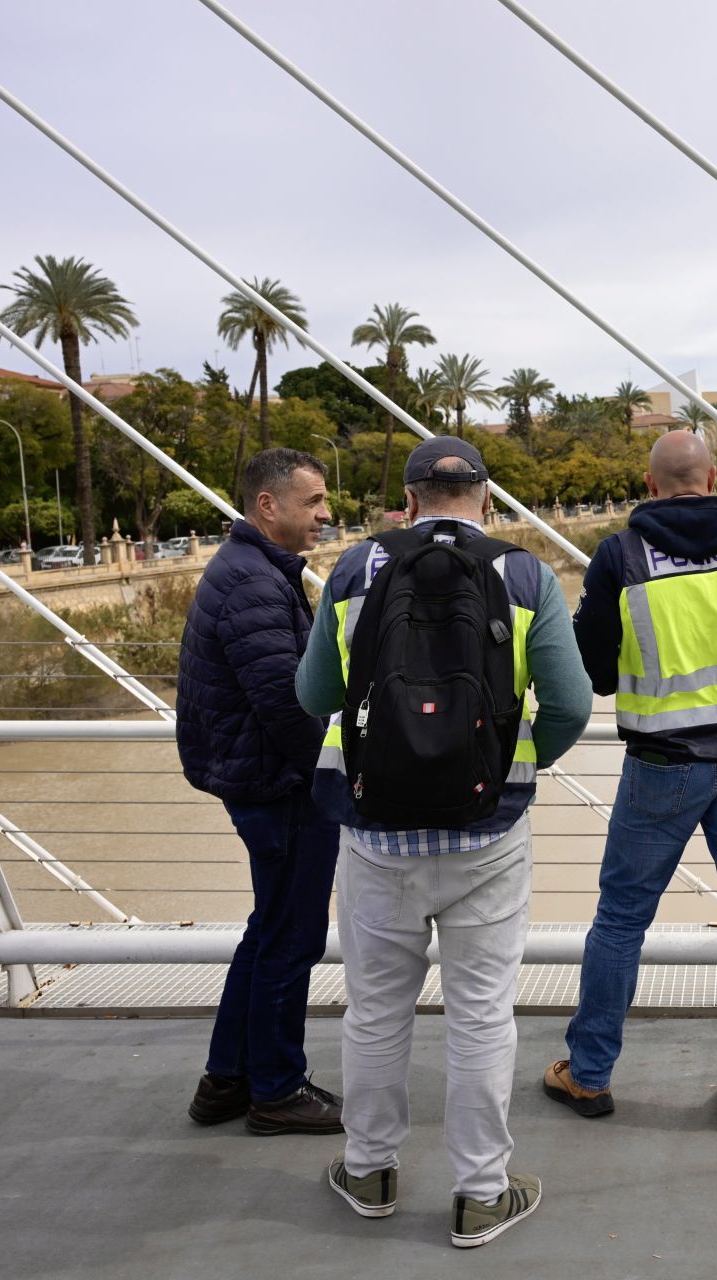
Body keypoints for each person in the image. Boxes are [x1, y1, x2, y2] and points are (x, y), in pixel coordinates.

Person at [297, 436, 589, 1248]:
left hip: (374, 837)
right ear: (486, 501)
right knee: (483, 1017)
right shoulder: (525, 575)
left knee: (377, 1012)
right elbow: (568, 704)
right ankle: (482, 1195)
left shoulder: (356, 571)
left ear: (409, 500)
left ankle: (369, 1172)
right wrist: (501, 768)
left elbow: (313, 692)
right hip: (486, 837)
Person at [548, 430, 717, 1135]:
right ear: (713, 478)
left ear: (650, 487)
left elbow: (599, 673)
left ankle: (588, 1076)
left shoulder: (620, 557)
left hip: (662, 769)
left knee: (620, 922)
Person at [176, 447, 343, 1135]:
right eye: (313, 502)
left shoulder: (252, 568)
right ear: (267, 505)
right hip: (278, 787)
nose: (326, 514)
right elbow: (286, 704)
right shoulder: (252, 582)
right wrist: (338, 776)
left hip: (258, 779)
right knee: (290, 936)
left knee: (265, 929)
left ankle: (227, 1079)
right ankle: (275, 1090)